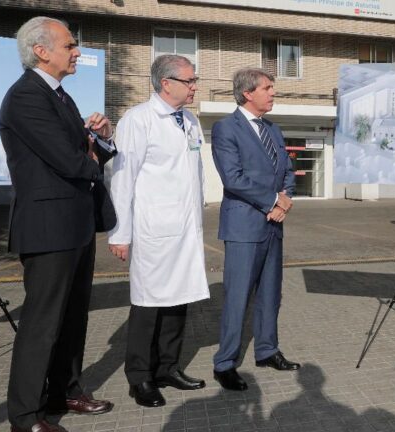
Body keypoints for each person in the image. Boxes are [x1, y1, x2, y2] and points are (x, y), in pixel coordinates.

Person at [0, 16, 116, 432]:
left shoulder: (60, 96)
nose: (77, 51)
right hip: (48, 227)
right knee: (42, 325)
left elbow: (86, 154)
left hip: (75, 224)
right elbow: (68, 160)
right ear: (41, 51)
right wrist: (88, 153)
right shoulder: (26, 96)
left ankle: (65, 392)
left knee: (72, 319)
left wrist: (100, 137)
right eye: (70, 45)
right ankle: (25, 416)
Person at [107, 54, 210, 408]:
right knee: (148, 304)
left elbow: (194, 174)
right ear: (166, 83)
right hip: (153, 229)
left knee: (178, 300)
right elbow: (122, 179)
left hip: (185, 229)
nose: (195, 86)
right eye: (189, 80)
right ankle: (140, 378)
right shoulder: (138, 120)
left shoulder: (190, 120)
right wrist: (120, 232)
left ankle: (168, 367)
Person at [210, 67, 299, 391]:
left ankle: (267, 350)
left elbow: (287, 169)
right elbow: (233, 178)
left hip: (273, 226)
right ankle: (225, 364)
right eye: (268, 87)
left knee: (270, 295)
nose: (273, 92)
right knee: (237, 297)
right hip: (244, 226)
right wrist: (274, 200)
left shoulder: (273, 129)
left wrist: (284, 198)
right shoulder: (225, 129)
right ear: (248, 93)